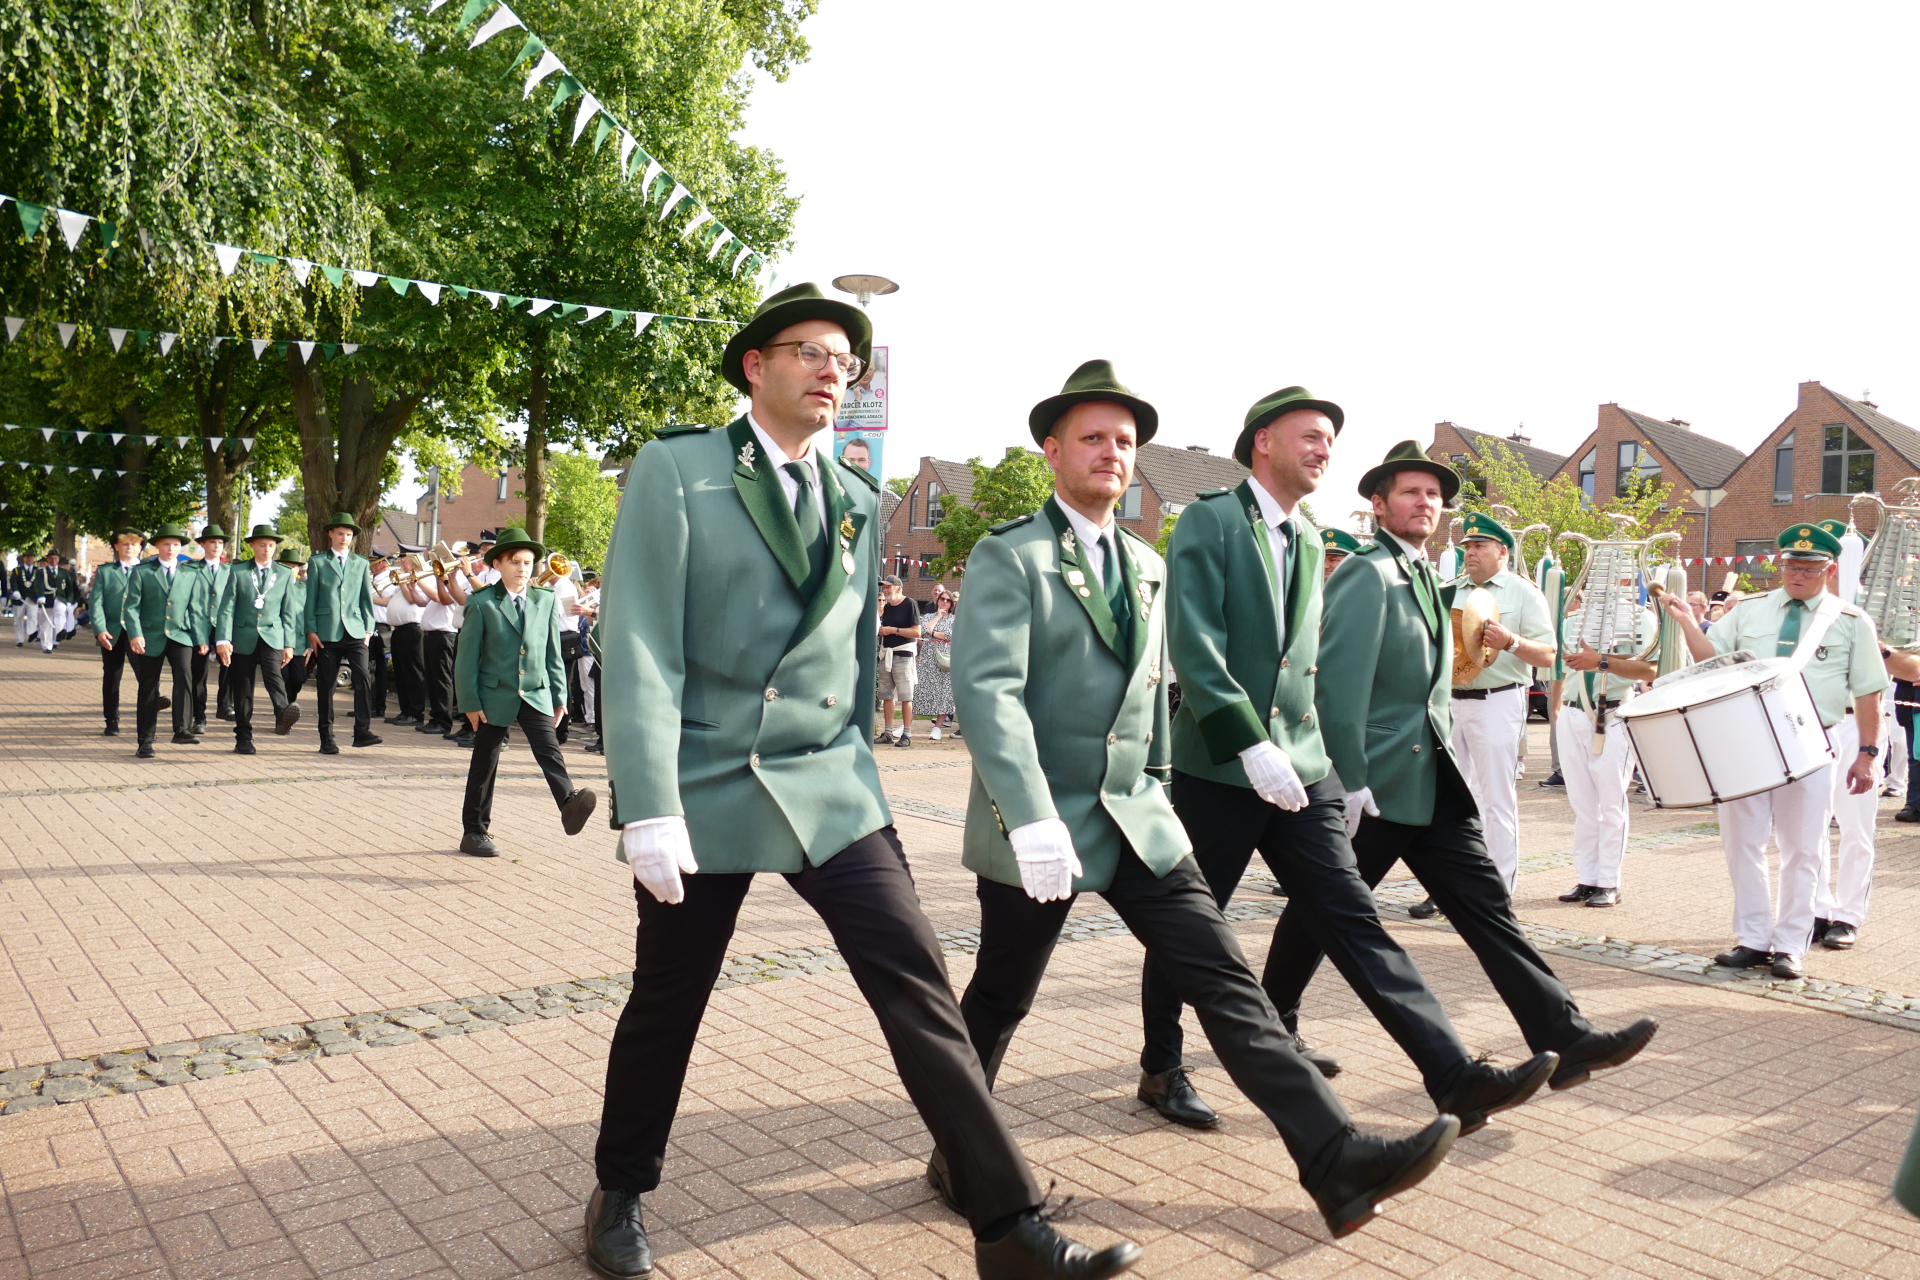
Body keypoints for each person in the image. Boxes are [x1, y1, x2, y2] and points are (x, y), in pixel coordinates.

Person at [592, 284, 1136, 1280]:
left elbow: (846, 653)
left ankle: (1007, 1223)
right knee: (669, 996)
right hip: (706, 777)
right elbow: (638, 640)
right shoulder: (682, 468)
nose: (831, 371)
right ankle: (619, 1188)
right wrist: (648, 803)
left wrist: (861, 761)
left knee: (916, 980)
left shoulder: (853, 496)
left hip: (828, 781)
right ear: (756, 365)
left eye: (844, 360)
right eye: (809, 351)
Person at [946, 361, 1463, 1243]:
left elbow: (1153, 697)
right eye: (1092, 438)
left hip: (1137, 818)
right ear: (1052, 452)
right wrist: (1028, 815)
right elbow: (988, 694)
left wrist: (1156, 785)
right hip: (1043, 823)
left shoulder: (1145, 563)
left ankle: (1334, 1157)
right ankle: (957, 1155)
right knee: (1000, 997)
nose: (1112, 453)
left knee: (1226, 980)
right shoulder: (1013, 554)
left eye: (1124, 441)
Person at [1140, 386, 1555, 1136]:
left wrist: (1330, 767)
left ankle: (1453, 1075)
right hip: (1223, 767)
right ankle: (1162, 1065)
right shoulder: (1213, 520)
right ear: (1263, 441)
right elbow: (1195, 644)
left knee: (1355, 919)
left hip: (1303, 766)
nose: (1323, 450)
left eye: (1329, 441)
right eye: (1310, 436)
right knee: (1193, 922)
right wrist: (1248, 741)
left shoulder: (1308, 535)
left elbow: (1307, 662)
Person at [1264, 443, 1659, 1092]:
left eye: (1433, 494)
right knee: (1320, 909)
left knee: (1488, 911)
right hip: (1381, 784)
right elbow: (1336, 683)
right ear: (1379, 505)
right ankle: (1273, 1022)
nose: (1425, 503)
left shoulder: (1422, 574)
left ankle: (1565, 1037)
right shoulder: (1368, 573)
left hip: (1432, 782)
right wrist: (1351, 778)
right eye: (1409, 492)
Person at [1661, 523, 1888, 976]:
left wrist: (1867, 753)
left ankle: (1790, 944)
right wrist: (1687, 623)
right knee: (1741, 843)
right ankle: (1753, 937)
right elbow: (1711, 660)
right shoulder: (1750, 610)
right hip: (1747, 737)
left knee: (1804, 847)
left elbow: (1869, 694)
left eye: (1808, 568)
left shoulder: (1849, 621)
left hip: (1811, 739)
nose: (1797, 574)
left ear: (1829, 571)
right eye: (1790, 565)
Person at [451, 527, 597, 856]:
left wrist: (559, 696)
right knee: (485, 762)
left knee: (549, 749)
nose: (522, 568)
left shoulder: (544, 599)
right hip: (493, 695)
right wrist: (469, 702)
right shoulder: (482, 602)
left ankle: (569, 805)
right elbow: (467, 659)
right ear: (498, 564)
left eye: (528, 562)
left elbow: (551, 652)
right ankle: (474, 832)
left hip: (536, 691)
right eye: (514, 561)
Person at [1440, 512, 1556, 895]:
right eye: (1467, 546)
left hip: (1498, 700)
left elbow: (1548, 654)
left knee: (1496, 799)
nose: (1470, 553)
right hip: (1449, 702)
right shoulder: (1448, 589)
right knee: (1452, 800)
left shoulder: (1523, 592)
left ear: (1502, 551)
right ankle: (1452, 885)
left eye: (1479, 546)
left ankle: (1498, 891)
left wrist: (1511, 642)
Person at [1553, 590, 1659, 907]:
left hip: (1611, 713)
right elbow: (1559, 666)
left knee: (1611, 803)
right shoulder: (1573, 620)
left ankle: (1609, 881)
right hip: (1573, 711)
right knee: (1582, 803)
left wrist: (1602, 662)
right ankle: (1587, 877)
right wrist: (1556, 706)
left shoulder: (1640, 619)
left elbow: (1651, 669)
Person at [124, 523, 211, 757]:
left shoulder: (190, 573)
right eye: (166, 544)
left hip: (181, 634)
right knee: (148, 686)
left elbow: (196, 609)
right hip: (150, 635)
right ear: (157, 546)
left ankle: (182, 729)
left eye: (175, 544)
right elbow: (131, 607)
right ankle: (145, 741)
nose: (171, 548)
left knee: (184, 675)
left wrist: (201, 638)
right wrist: (135, 634)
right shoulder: (142, 572)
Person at [215, 524, 303, 752]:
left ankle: (283, 713)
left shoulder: (284, 573)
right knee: (243, 686)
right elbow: (226, 608)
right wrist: (223, 639)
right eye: (262, 545)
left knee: (273, 673)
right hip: (243, 634)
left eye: (271, 545)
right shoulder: (238, 571)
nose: (267, 549)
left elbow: (288, 612)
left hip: (272, 633)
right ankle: (243, 737)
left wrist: (289, 644)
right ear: (252, 545)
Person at [303, 512, 383, 755]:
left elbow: (366, 598)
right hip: (327, 631)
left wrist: (368, 630)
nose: (344, 538)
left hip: (356, 630)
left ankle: (362, 731)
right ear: (330, 534)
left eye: (348, 534)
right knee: (327, 685)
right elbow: (311, 598)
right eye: (340, 533)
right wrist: (311, 630)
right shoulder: (318, 562)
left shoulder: (360, 563)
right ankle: (326, 737)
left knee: (363, 676)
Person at [90, 527, 145, 735]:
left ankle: (148, 715)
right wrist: (99, 630)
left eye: (134, 544)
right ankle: (111, 720)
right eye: (125, 544)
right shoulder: (106, 571)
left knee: (145, 673)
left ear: (140, 548)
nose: (129, 547)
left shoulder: (148, 570)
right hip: (112, 631)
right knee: (112, 676)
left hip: (138, 631)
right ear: (116, 547)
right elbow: (96, 602)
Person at [188, 525, 230, 734]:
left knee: (230, 665)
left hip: (224, 625)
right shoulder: (191, 569)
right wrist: (198, 633)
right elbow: (189, 602)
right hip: (200, 625)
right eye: (212, 542)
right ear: (203, 544)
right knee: (199, 672)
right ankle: (199, 716)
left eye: (220, 542)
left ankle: (225, 705)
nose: (216, 546)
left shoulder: (230, 571)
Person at [380, 557, 427, 727]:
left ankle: (415, 712)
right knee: (401, 672)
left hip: (412, 629)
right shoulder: (403, 580)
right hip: (399, 630)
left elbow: (412, 600)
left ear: (414, 562)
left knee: (413, 672)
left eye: (404, 560)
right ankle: (405, 710)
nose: (400, 563)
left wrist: (402, 583)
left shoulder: (419, 578)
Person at [876, 574, 920, 745]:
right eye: (884, 587)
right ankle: (888, 732)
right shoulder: (887, 607)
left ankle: (907, 734)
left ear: (899, 588)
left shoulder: (910, 604)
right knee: (887, 696)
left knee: (906, 696)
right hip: (887, 654)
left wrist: (893, 630)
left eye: (889, 587)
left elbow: (917, 632)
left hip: (904, 655)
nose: (885, 590)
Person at [917, 588, 957, 739]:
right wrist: (938, 617)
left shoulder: (954, 619)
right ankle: (906, 725)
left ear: (951, 604)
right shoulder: (928, 616)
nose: (945, 602)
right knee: (919, 690)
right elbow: (924, 629)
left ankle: (938, 728)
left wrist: (933, 633)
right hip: (927, 659)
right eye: (942, 599)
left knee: (944, 693)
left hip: (944, 659)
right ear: (938, 600)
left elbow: (950, 635)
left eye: (948, 600)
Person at [367, 550, 392, 720]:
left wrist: (367, 597)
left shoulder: (389, 580)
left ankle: (377, 706)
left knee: (378, 668)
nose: (371, 565)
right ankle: (368, 704)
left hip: (381, 626)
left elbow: (387, 601)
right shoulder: (373, 580)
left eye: (373, 562)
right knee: (368, 667)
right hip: (369, 625)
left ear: (382, 563)